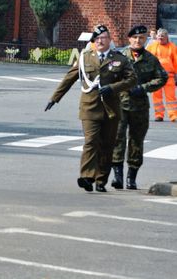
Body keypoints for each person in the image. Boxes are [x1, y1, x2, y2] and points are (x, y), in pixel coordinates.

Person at [45, 25, 136, 193]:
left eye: (104, 37)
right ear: (93, 41)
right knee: (91, 141)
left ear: (110, 40)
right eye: (97, 38)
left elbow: (132, 80)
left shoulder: (120, 59)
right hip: (90, 108)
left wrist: (113, 88)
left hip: (111, 109)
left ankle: (101, 179)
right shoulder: (84, 57)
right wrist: (55, 98)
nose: (100, 41)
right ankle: (87, 176)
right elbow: (70, 78)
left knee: (107, 145)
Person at [111, 25, 167, 190]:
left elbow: (162, 77)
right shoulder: (119, 57)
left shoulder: (151, 59)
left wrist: (143, 87)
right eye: (135, 38)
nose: (138, 40)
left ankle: (131, 178)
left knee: (136, 141)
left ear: (145, 40)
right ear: (129, 39)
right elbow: (108, 76)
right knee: (117, 140)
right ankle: (118, 177)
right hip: (120, 104)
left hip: (139, 107)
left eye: (141, 38)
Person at [146, 28, 177, 122]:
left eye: (162, 36)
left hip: (169, 77)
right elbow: (147, 60)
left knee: (171, 97)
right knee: (156, 97)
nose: (160, 38)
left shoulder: (172, 47)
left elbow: (176, 62)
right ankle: (159, 115)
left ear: (166, 37)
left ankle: (173, 116)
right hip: (156, 77)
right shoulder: (152, 46)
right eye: (159, 36)